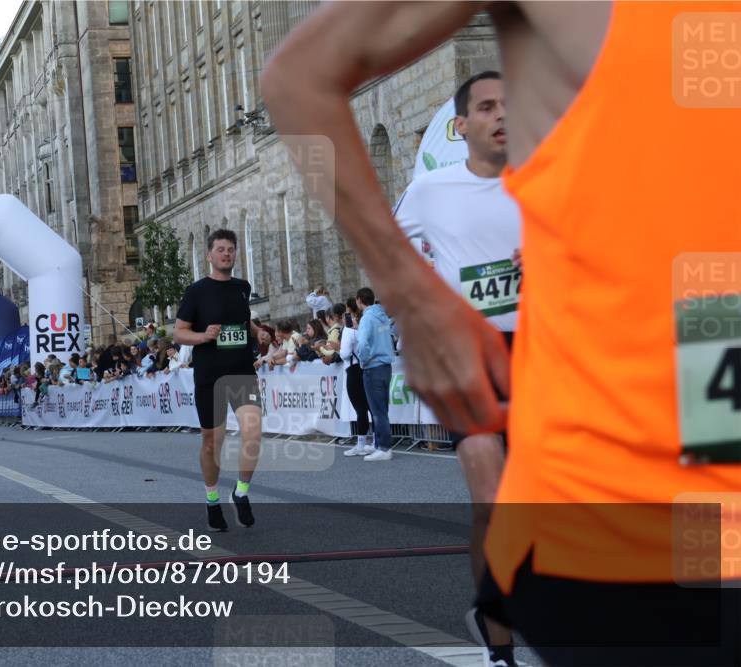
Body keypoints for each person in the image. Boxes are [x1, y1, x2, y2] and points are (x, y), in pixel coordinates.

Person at [263, 3, 740, 665]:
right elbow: (299, 76)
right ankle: (497, 625)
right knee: (488, 481)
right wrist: (417, 305)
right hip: (623, 517)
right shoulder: (438, 187)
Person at [391, 70, 521, 665]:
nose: (501, 115)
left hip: (545, 353)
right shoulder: (431, 192)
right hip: (472, 358)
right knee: (490, 498)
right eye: (486, 106)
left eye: (508, 106)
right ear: (461, 125)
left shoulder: (545, 183)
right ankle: (500, 646)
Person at [174, 229, 261, 532]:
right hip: (210, 376)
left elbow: (242, 320)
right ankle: (212, 500)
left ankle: (241, 493)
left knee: (253, 436)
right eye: (221, 250)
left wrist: (257, 331)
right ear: (209, 255)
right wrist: (203, 336)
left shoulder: (242, 287)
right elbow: (179, 332)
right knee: (212, 443)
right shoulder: (196, 291)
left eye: (231, 250)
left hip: (241, 372)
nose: (226, 254)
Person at [354, 288, 394, 462]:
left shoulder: (367, 318)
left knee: (378, 410)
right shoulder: (382, 316)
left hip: (373, 366)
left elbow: (362, 344)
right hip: (386, 365)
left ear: (358, 300)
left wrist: (364, 360)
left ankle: (384, 447)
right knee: (382, 408)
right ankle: (380, 444)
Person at [340, 303, 374, 457]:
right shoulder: (364, 327)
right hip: (365, 367)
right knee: (370, 407)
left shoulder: (348, 331)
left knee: (360, 408)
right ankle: (375, 441)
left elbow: (345, 353)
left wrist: (338, 349)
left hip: (353, 370)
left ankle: (361, 444)